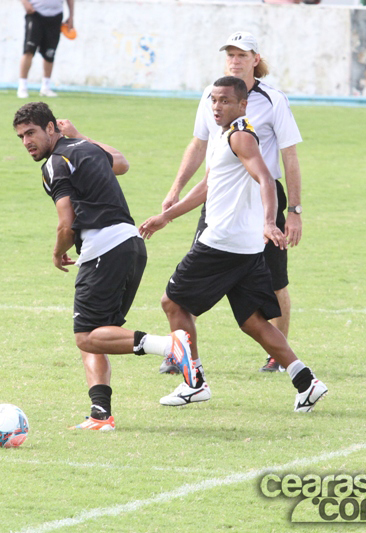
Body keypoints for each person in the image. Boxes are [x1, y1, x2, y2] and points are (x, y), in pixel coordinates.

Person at [139, 77, 327, 412]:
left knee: (173, 303)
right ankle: (306, 382)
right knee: (252, 320)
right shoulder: (224, 135)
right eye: (213, 99)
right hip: (244, 245)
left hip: (222, 242)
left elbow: (267, 178)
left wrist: (271, 221)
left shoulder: (240, 136)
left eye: (225, 100)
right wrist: (166, 217)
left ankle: (193, 382)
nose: (216, 106)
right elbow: (209, 185)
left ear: (242, 105)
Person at [13, 101, 193, 430]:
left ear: (51, 128)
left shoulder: (54, 164)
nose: (26, 142)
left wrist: (57, 253)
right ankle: (100, 414)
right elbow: (121, 163)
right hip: (131, 246)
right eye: (21, 136)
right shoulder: (87, 147)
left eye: (31, 133)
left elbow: (66, 223)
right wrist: (80, 134)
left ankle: (170, 345)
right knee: (98, 334)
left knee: (85, 337)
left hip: (103, 251)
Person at [160, 31, 303, 374]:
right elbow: (198, 144)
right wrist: (176, 187)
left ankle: (278, 356)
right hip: (218, 195)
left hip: (262, 201)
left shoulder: (273, 100)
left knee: (275, 279)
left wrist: (294, 211)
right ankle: (182, 353)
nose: (235, 60)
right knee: (194, 271)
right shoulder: (213, 95)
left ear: (256, 59)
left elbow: (289, 156)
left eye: (243, 54)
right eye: (231, 54)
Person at [17, 0, 74, 99]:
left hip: (56, 15)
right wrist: (25, 2)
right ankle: (22, 87)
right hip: (35, 13)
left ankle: (46, 87)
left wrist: (71, 16)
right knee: (28, 50)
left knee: (50, 53)